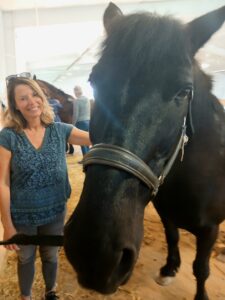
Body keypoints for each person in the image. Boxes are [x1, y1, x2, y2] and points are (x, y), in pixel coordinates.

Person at [0, 77, 91, 300]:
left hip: (55, 211)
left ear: (43, 98)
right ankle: (26, 295)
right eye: (23, 98)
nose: (31, 101)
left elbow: (95, 137)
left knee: (51, 255)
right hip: (22, 215)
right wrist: (7, 225)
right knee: (26, 257)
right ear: (15, 105)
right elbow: (2, 182)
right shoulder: (8, 137)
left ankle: (50, 291)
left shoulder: (60, 130)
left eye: (34, 95)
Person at [73, 85, 90, 156]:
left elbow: (76, 114)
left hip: (80, 122)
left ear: (75, 92)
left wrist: (73, 124)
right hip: (88, 121)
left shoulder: (77, 101)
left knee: (82, 142)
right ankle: (89, 156)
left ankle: (85, 158)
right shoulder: (87, 99)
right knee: (87, 140)